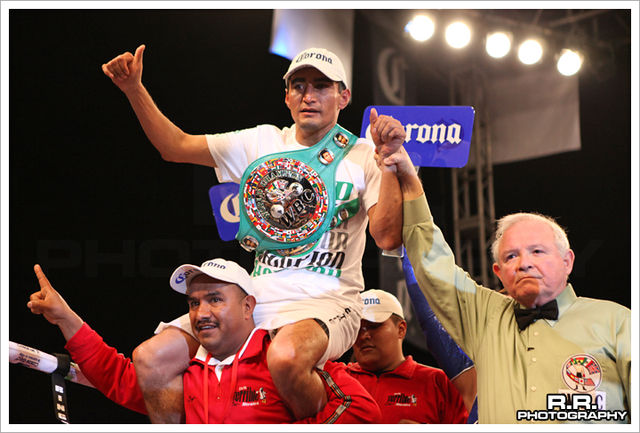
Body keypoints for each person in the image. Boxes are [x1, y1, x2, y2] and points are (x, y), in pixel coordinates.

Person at [101, 45, 405, 420]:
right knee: (151, 358)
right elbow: (174, 146)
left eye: (322, 86)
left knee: (286, 356)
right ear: (287, 96)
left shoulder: (362, 154)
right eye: (299, 85)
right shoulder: (262, 142)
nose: (309, 96)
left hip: (329, 302)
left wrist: (389, 162)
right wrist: (134, 88)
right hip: (256, 300)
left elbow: (388, 238)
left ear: (344, 96)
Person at [380, 146, 631, 423]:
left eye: (538, 251)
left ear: (567, 261)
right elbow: (433, 264)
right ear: (498, 272)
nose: (524, 263)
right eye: (512, 256)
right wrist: (406, 174)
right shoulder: (485, 317)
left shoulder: (617, 322)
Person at [26, 260, 382, 424]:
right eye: (193, 303)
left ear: (247, 306)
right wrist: (65, 319)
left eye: (214, 299)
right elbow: (119, 379)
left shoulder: (283, 357)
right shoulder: (187, 373)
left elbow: (364, 413)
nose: (201, 312)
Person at [346, 289, 469, 424]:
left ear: (401, 329)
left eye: (373, 326)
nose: (364, 336)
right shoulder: (336, 380)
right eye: (357, 328)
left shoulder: (440, 383)